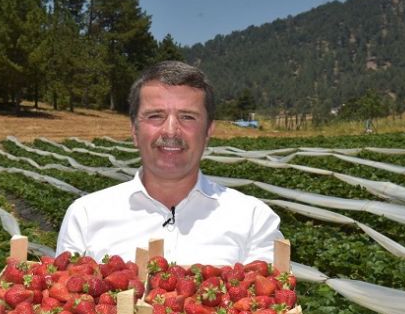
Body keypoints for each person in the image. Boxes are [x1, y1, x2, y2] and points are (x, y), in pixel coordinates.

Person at [56, 60, 284, 265]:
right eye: (155, 116)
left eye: (187, 117)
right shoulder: (85, 216)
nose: (171, 130)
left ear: (208, 132)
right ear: (134, 131)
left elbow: (269, 303)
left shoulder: (253, 219)